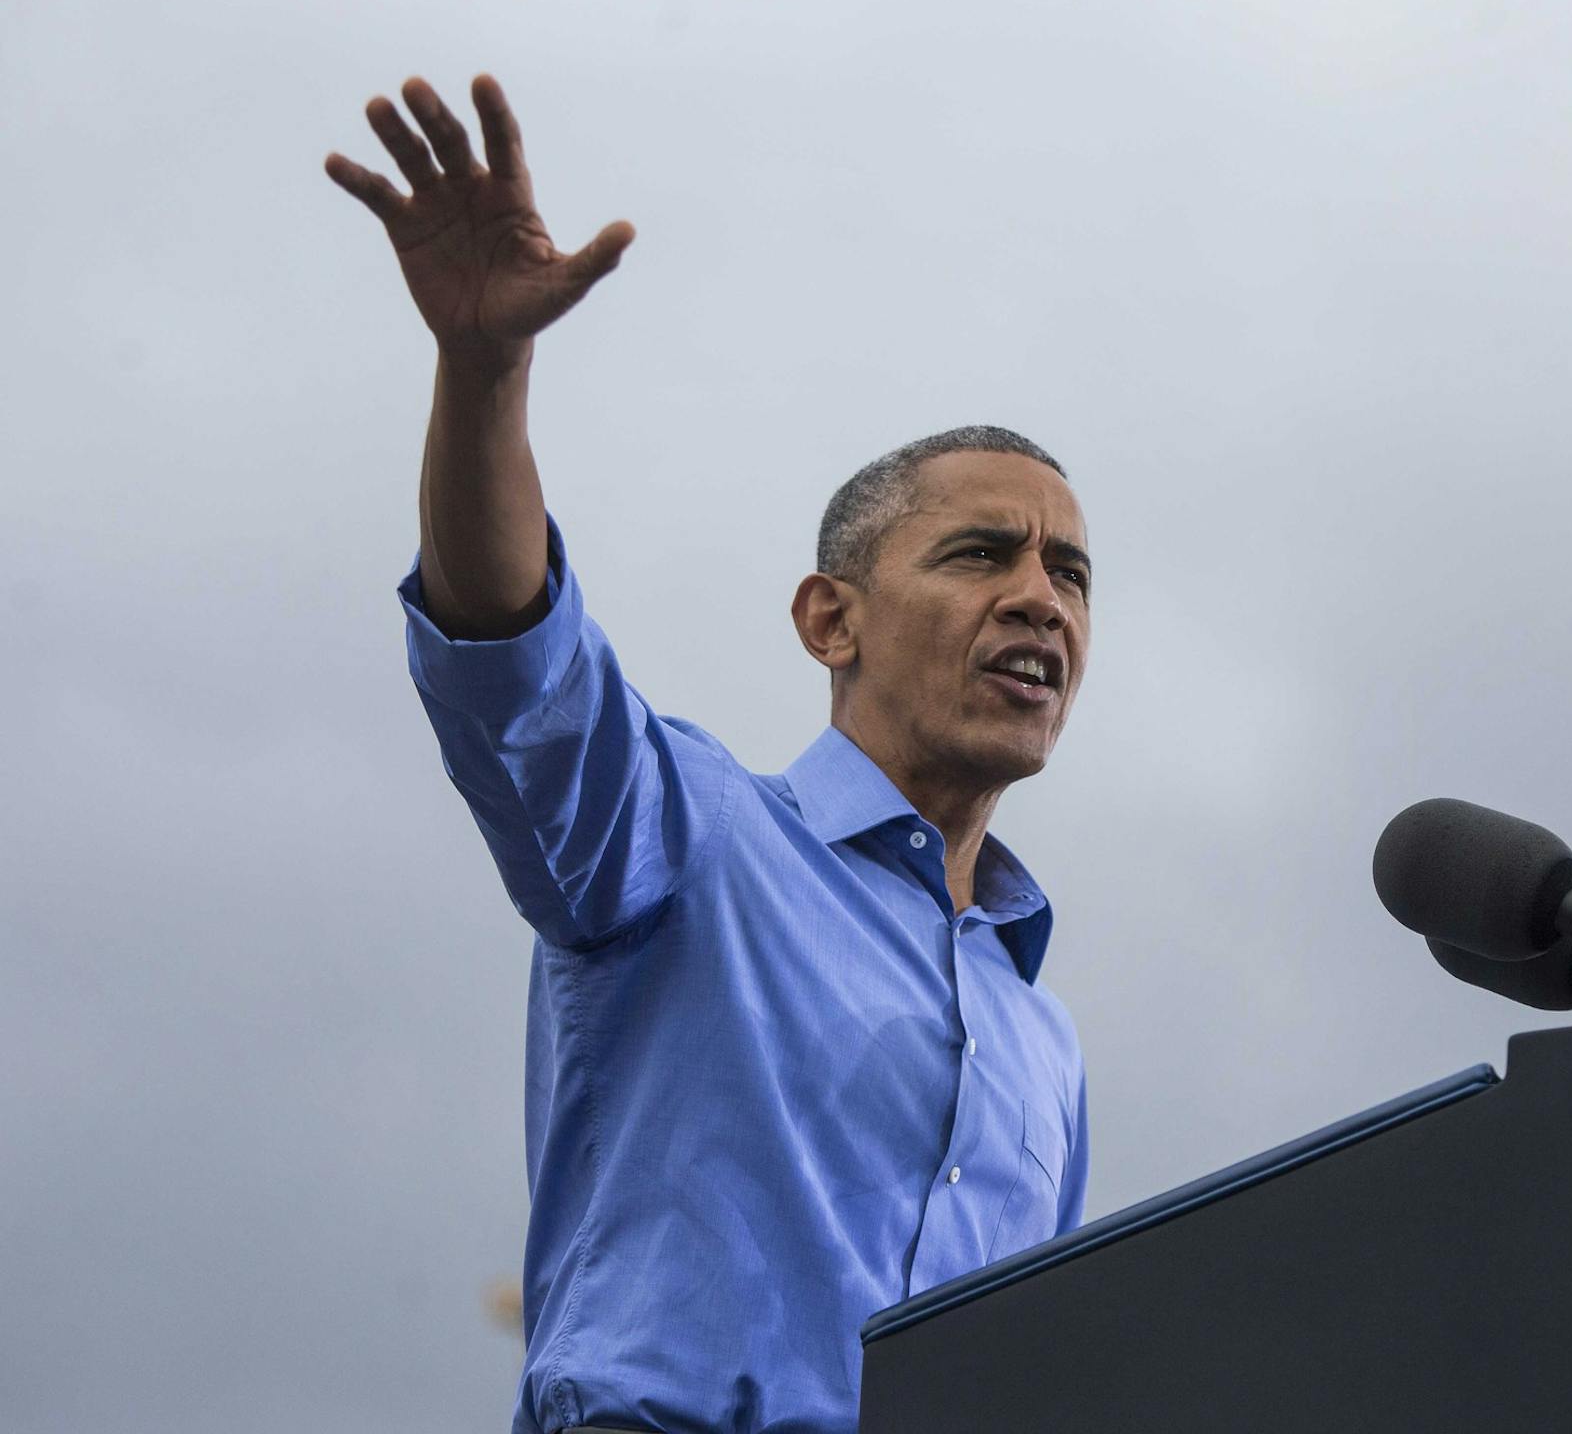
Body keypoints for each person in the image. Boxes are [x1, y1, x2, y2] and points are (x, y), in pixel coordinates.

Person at [326, 72, 1093, 1434]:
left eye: (1072, 574)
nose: (1040, 596)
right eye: (982, 553)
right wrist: (486, 372)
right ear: (829, 617)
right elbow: (515, 663)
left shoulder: (1046, 1041)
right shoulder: (690, 832)